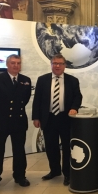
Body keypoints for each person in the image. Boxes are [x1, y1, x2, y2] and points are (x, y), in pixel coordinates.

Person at [0, 54, 32, 193]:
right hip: (0, 122)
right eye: (13, 63)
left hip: (18, 121)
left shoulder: (25, 80)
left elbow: (25, 100)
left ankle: (20, 176)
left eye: (18, 63)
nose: (16, 65)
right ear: (7, 64)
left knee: (19, 151)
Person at [32, 54, 82, 186]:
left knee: (67, 147)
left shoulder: (72, 80)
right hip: (48, 118)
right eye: (55, 63)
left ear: (65, 66)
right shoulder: (42, 80)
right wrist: (36, 117)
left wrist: (74, 108)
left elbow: (78, 97)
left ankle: (67, 174)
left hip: (66, 118)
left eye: (60, 63)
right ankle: (54, 170)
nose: (57, 66)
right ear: (51, 65)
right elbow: (37, 100)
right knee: (51, 147)